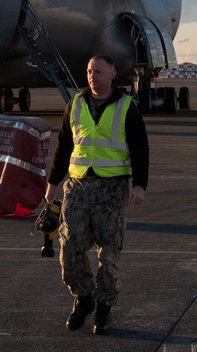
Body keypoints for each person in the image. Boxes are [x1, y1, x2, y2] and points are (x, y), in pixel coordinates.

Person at [44, 54, 149, 336]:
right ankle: (84, 297)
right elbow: (64, 144)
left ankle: (103, 309)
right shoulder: (75, 104)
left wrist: (140, 185)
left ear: (113, 74)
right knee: (69, 250)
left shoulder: (126, 107)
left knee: (109, 254)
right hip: (77, 187)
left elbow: (140, 148)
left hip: (112, 189)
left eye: (99, 72)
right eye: (90, 71)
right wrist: (53, 181)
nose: (93, 76)